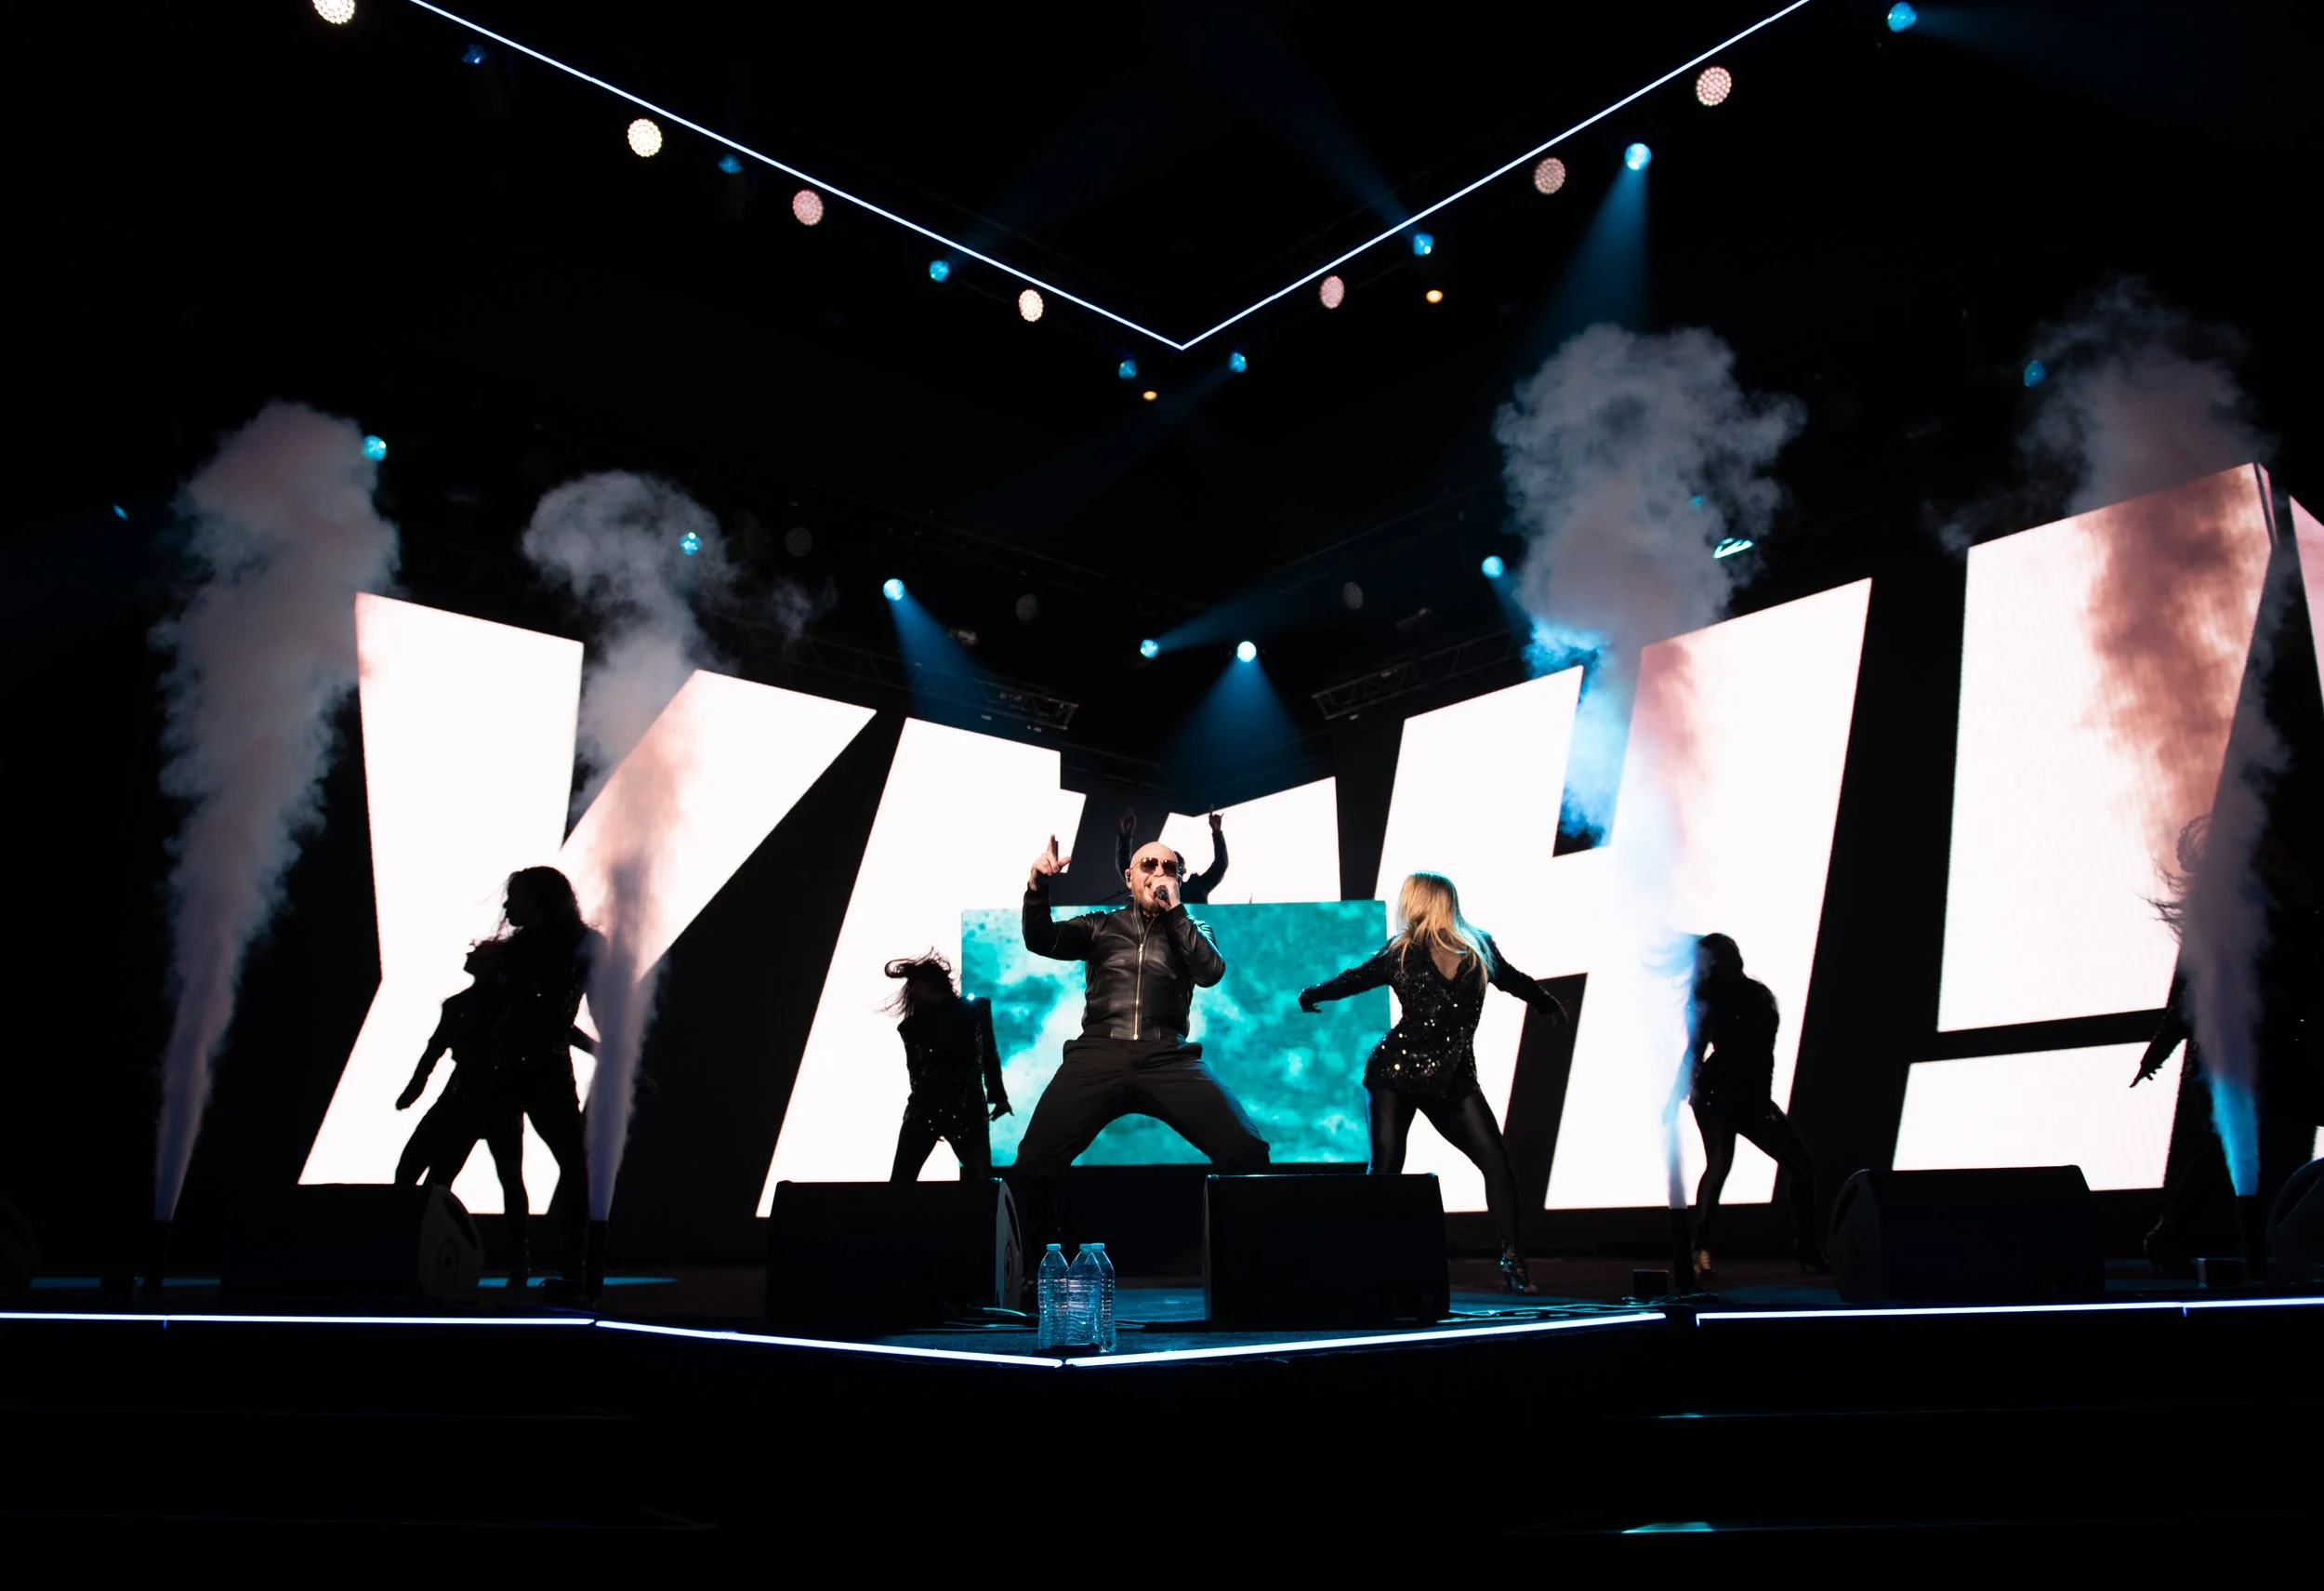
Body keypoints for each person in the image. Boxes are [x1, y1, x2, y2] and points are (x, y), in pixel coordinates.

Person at [1298, 872, 1565, 1293]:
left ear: (1424, 901)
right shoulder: (1401, 952)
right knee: (1386, 1167)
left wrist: (1547, 1002)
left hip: (1453, 1078)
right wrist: (1312, 993)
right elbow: (1355, 978)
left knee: (1496, 1162)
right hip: (1395, 1074)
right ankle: (1367, 1261)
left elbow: (1512, 979)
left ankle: (1513, 1261)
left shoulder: (1478, 949)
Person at [1011, 833, 1269, 1245]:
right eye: (1148, 866)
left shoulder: (1193, 928)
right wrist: (1038, 890)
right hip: (1099, 1053)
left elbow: (1209, 972)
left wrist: (1176, 913)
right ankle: (1039, 1272)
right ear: (1130, 877)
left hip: (1167, 1055)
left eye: (1169, 868)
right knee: (1031, 1166)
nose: (1159, 873)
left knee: (1247, 1152)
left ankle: (1241, 1269)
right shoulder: (1100, 925)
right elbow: (1041, 939)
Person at [393, 866, 600, 1294]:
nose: (506, 907)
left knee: (567, 1169)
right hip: (495, 1074)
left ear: (541, 899)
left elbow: (580, 1017)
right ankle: (418, 1260)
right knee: (442, 1168)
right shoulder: (512, 954)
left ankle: (573, 1268)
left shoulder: (581, 947)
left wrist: (619, 1060)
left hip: (528, 1074)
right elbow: (500, 1017)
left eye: (515, 897)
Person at [1666, 933, 1822, 1276]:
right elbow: (1696, 1049)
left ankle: (1808, 1244)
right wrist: (1675, 1095)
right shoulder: (1711, 999)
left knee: (1800, 1163)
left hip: (1751, 1096)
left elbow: (1763, 1053)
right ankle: (1700, 1250)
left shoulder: (1757, 994)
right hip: (1716, 1095)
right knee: (1720, 1163)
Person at [882, 950, 1010, 1182]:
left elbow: (989, 1055)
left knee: (981, 1187)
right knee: (901, 1181)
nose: (910, 990)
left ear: (930, 984)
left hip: (967, 1109)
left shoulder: (974, 1012)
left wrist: (999, 1097)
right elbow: (916, 1075)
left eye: (914, 984)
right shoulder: (911, 1026)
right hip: (927, 1109)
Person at [1116, 806, 1230, 904]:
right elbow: (1127, 869)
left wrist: (1217, 832)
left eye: (1177, 864)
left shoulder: (1197, 887)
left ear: (1183, 869)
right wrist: (1125, 836)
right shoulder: (1153, 891)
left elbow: (1220, 865)